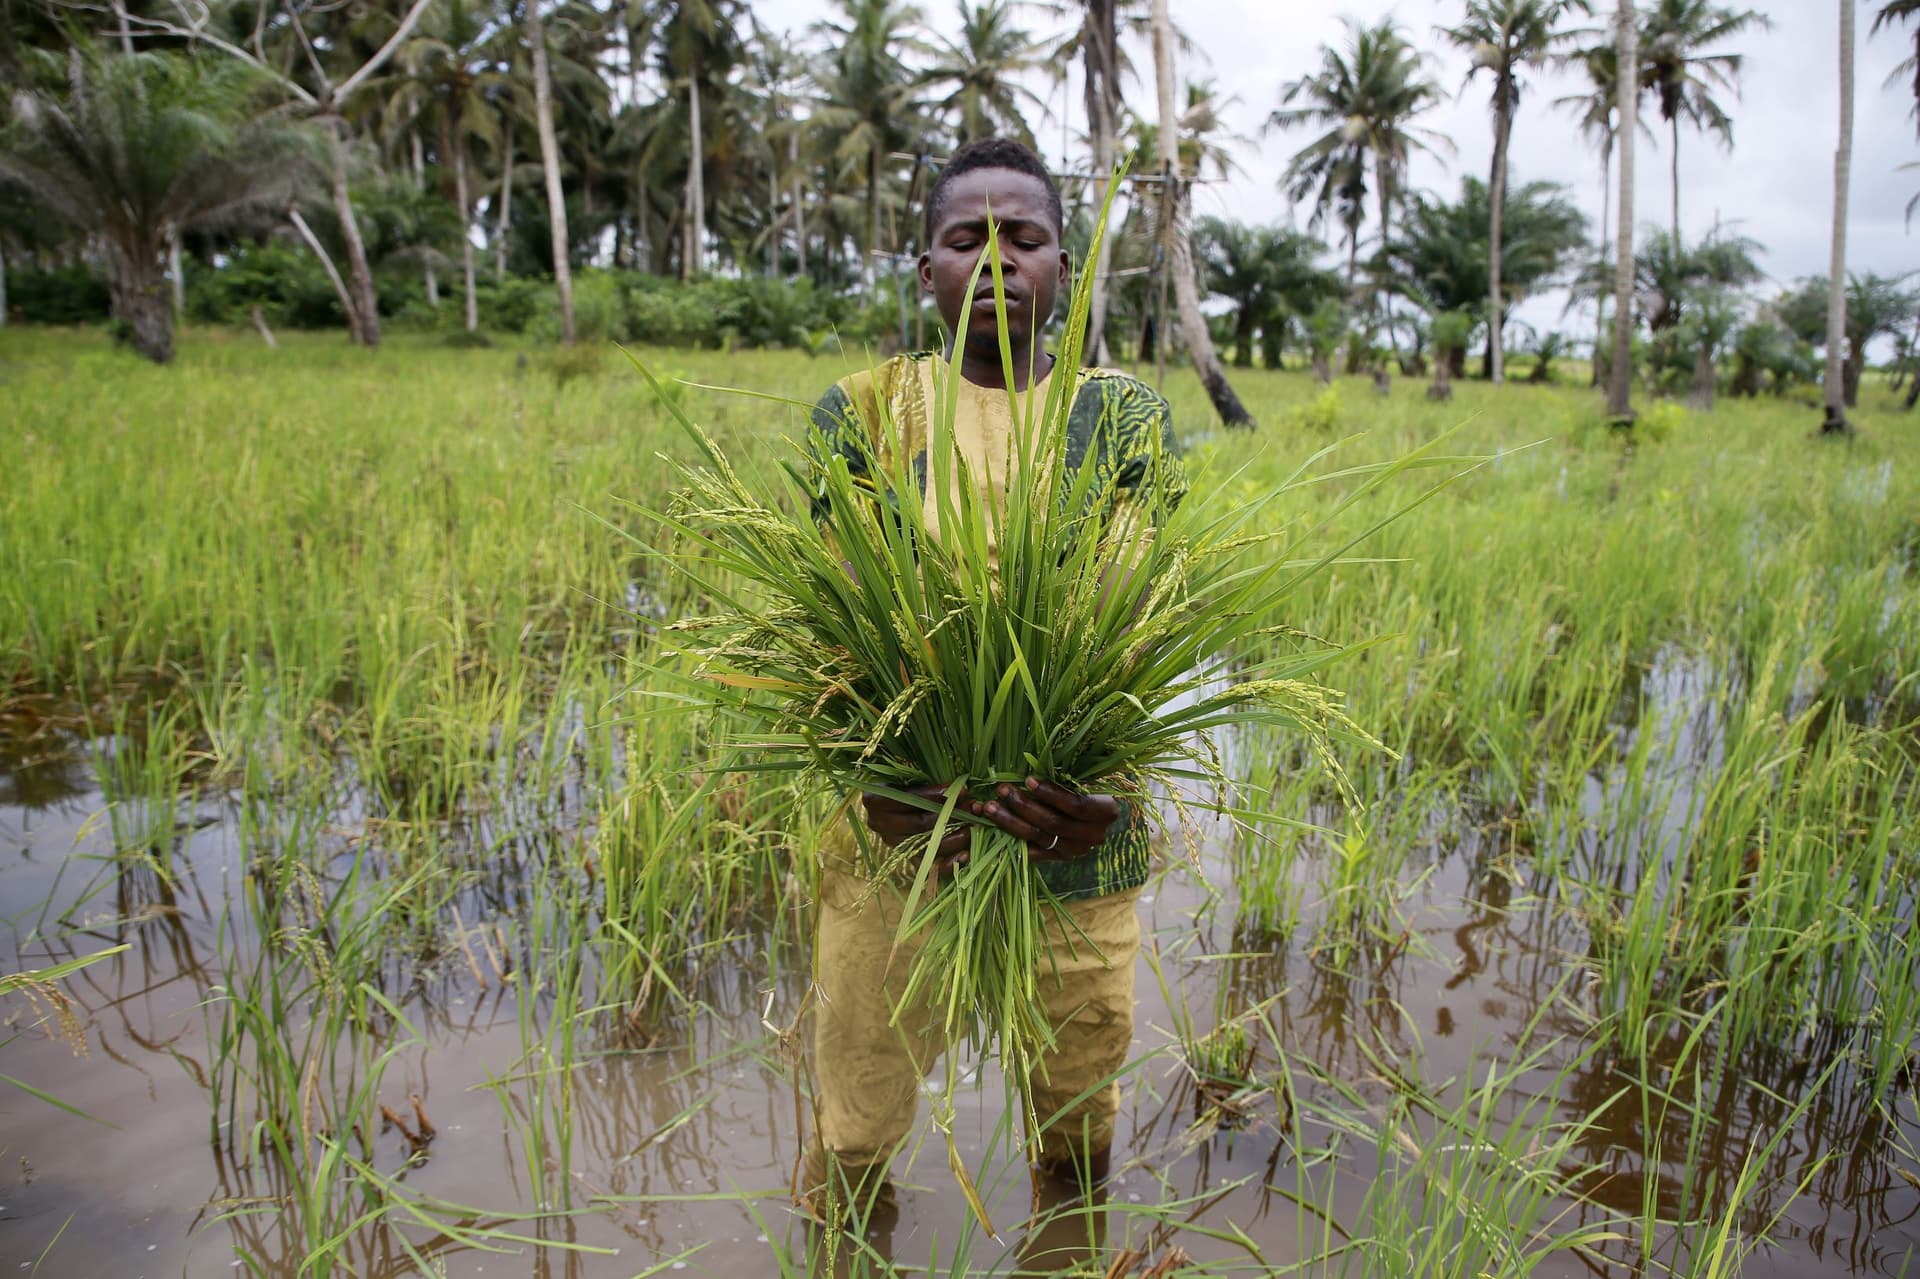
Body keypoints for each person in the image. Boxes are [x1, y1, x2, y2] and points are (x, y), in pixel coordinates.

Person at [798, 138, 1187, 1235]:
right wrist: (882, 787)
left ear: (1065, 265)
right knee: (857, 1140)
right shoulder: (866, 413)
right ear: (926, 271)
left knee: (1075, 1142)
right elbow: (824, 637)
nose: (998, 258)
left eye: (1025, 237)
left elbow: (1149, 634)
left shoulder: (1121, 421)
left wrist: (1104, 795)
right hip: (897, 845)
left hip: (1079, 841)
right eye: (967, 238)